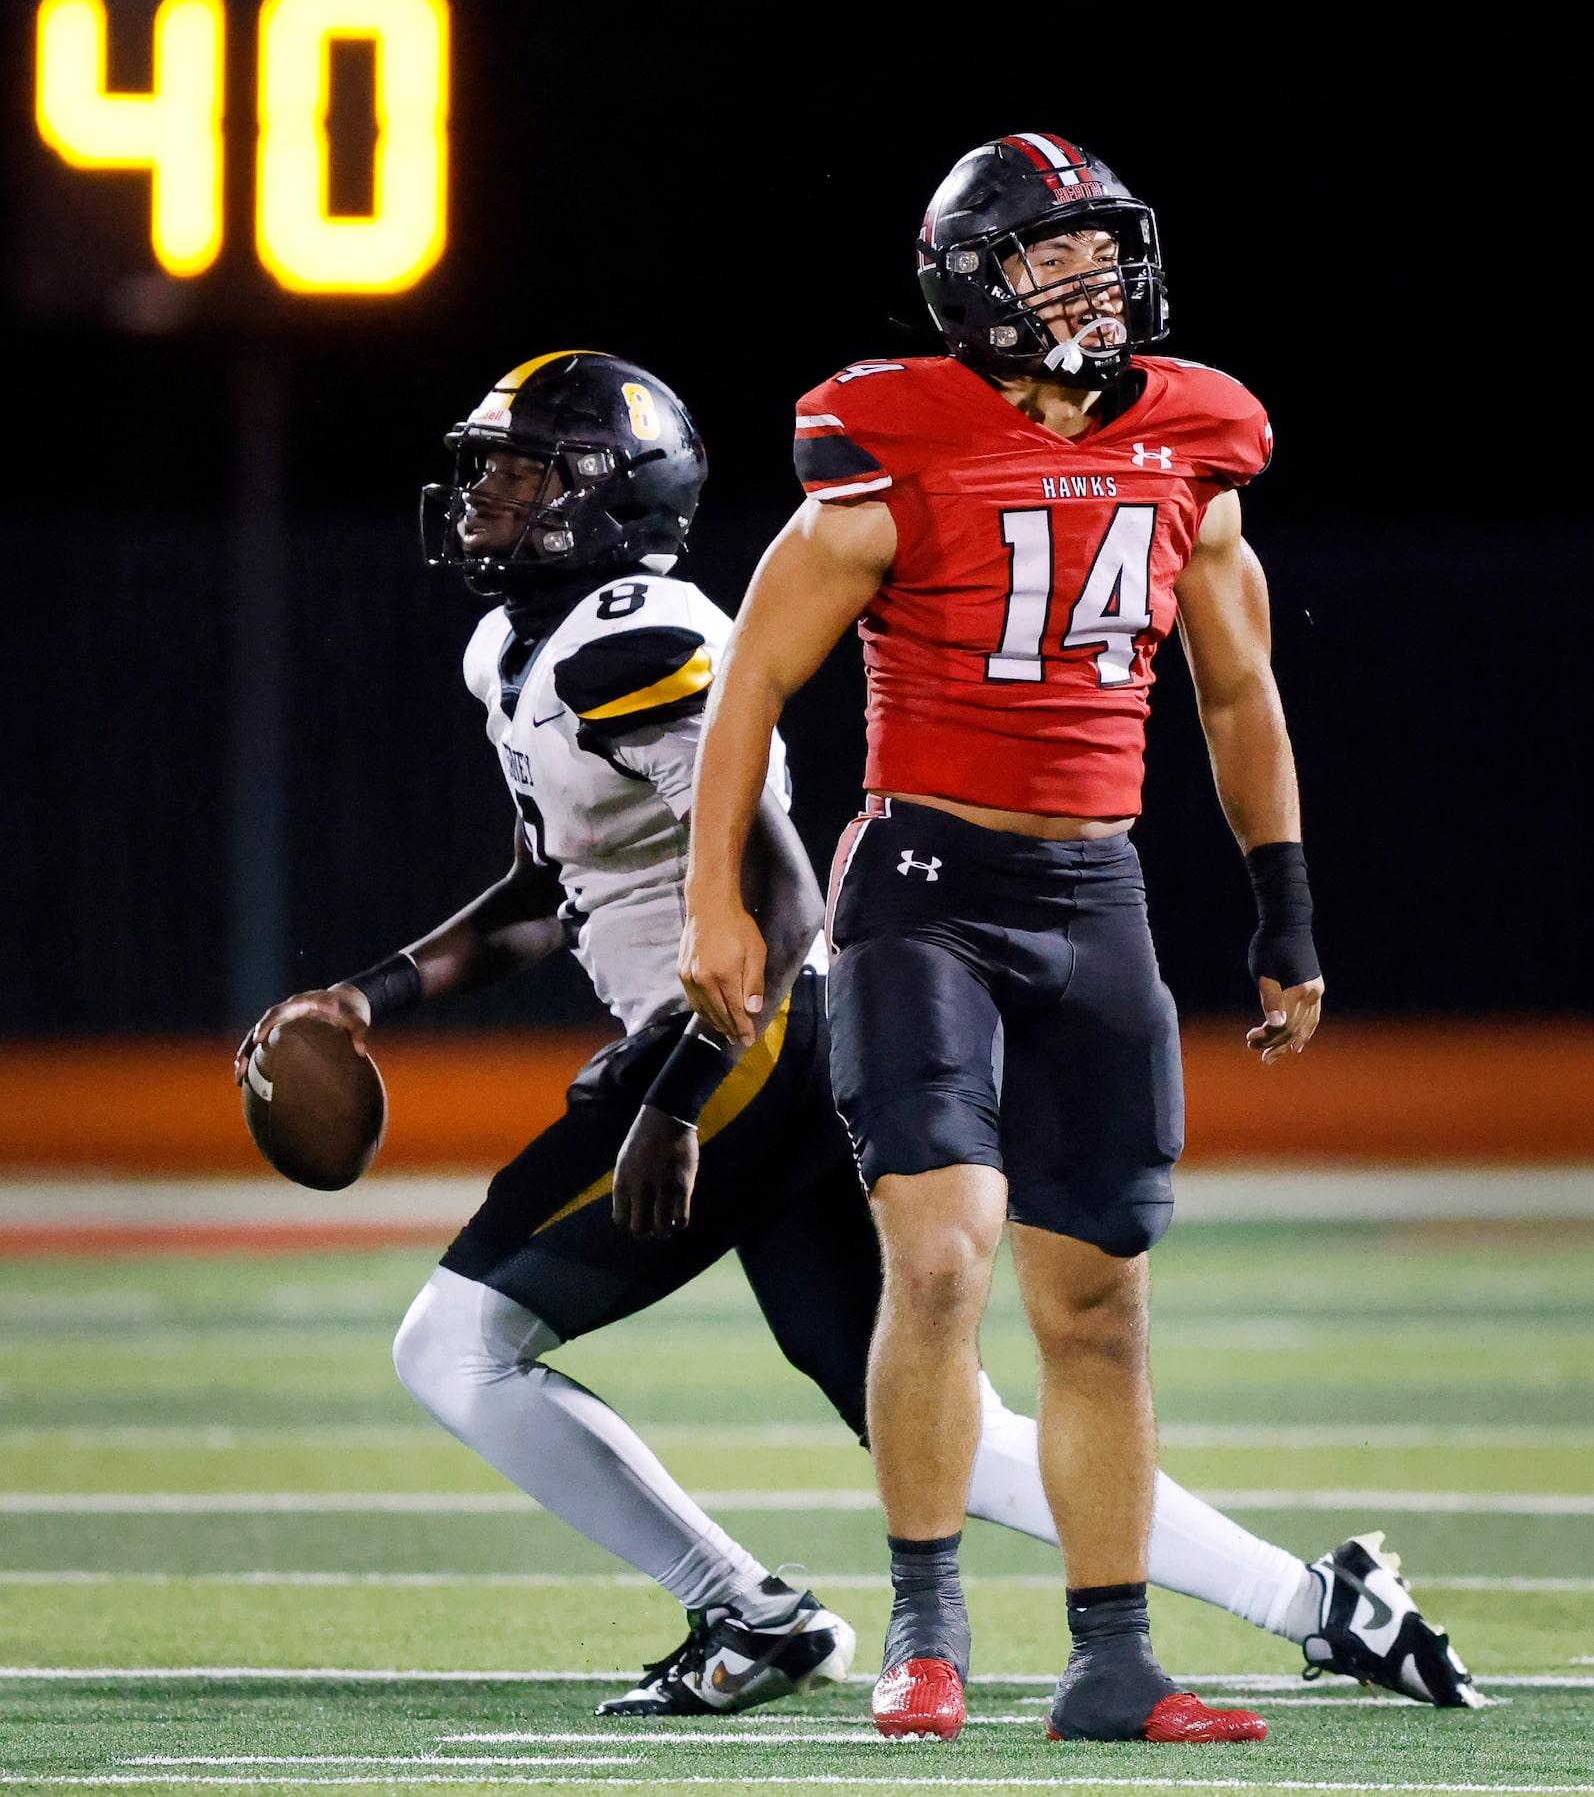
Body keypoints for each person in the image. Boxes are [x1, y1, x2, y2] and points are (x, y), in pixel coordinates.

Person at [237, 347, 1478, 1727]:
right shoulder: (518, 644)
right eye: (489, 470)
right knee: (929, 1406)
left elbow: (769, 886)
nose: (487, 500)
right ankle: (1322, 1603)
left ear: (613, 498)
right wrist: (365, 997)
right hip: (754, 1041)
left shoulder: (635, 641)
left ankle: (744, 1607)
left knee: (451, 1344)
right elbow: (554, 887)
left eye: (525, 474)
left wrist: (675, 1093)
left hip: (742, 1041)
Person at [677, 133, 1382, 1744]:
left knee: (1101, 1305)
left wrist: (1282, 903)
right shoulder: (891, 439)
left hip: (1098, 893)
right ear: (966, 284)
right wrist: (718, 894)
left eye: (1097, 249)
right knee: (936, 1263)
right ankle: (924, 1632)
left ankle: (1111, 1655)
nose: (1085, 280)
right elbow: (752, 683)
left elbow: (1234, 688)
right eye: (1045, 256)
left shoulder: (1191, 437)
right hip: (926, 886)